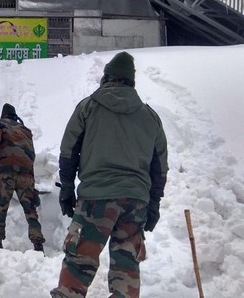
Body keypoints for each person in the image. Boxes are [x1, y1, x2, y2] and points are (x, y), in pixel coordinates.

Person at [51, 52, 168, 298]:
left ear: (106, 78)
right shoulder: (150, 117)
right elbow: (159, 169)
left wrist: (67, 188)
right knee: (126, 268)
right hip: (135, 203)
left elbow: (68, 151)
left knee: (78, 263)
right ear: (131, 82)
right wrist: (153, 204)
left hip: (96, 199)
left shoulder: (88, 107)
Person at [0, 103, 45, 251]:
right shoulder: (25, 130)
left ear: (3, 115)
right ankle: (38, 246)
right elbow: (31, 155)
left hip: (7, 172)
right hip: (26, 174)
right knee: (30, 211)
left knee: (1, 205)